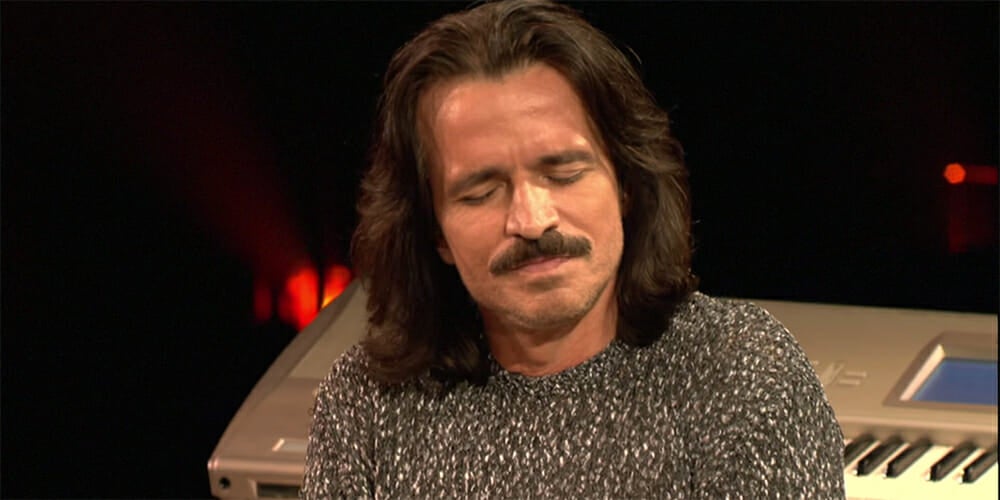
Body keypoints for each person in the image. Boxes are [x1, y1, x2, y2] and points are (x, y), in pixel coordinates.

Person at [303, 0, 844, 497]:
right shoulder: (365, 403)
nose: (532, 220)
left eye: (563, 173)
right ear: (434, 232)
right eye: (482, 192)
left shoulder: (741, 373)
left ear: (626, 184)